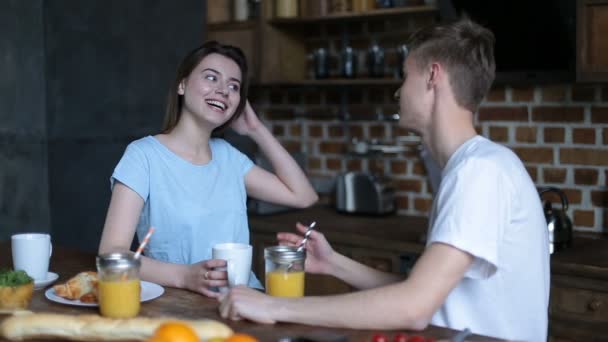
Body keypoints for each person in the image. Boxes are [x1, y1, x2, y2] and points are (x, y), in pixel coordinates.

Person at [219, 19, 550, 342]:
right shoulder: (474, 166)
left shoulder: (480, 171)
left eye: (405, 76)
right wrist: (335, 264)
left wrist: (274, 306)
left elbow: (413, 308)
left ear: (433, 76)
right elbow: (421, 290)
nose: (397, 90)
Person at [98, 41, 318, 298]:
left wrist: (256, 130)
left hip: (246, 301)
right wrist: (184, 276)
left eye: (233, 86)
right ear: (182, 85)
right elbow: (111, 254)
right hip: (179, 303)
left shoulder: (230, 158)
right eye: (211, 77)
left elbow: (303, 196)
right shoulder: (143, 156)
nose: (223, 90)